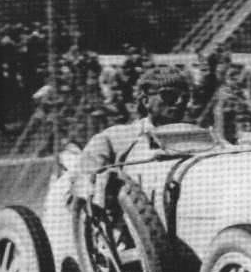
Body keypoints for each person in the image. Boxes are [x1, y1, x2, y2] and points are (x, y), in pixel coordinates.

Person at [71, 66, 191, 202]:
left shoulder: (198, 139)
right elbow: (83, 183)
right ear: (146, 100)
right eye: (169, 95)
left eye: (185, 97)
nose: (180, 102)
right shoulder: (115, 139)